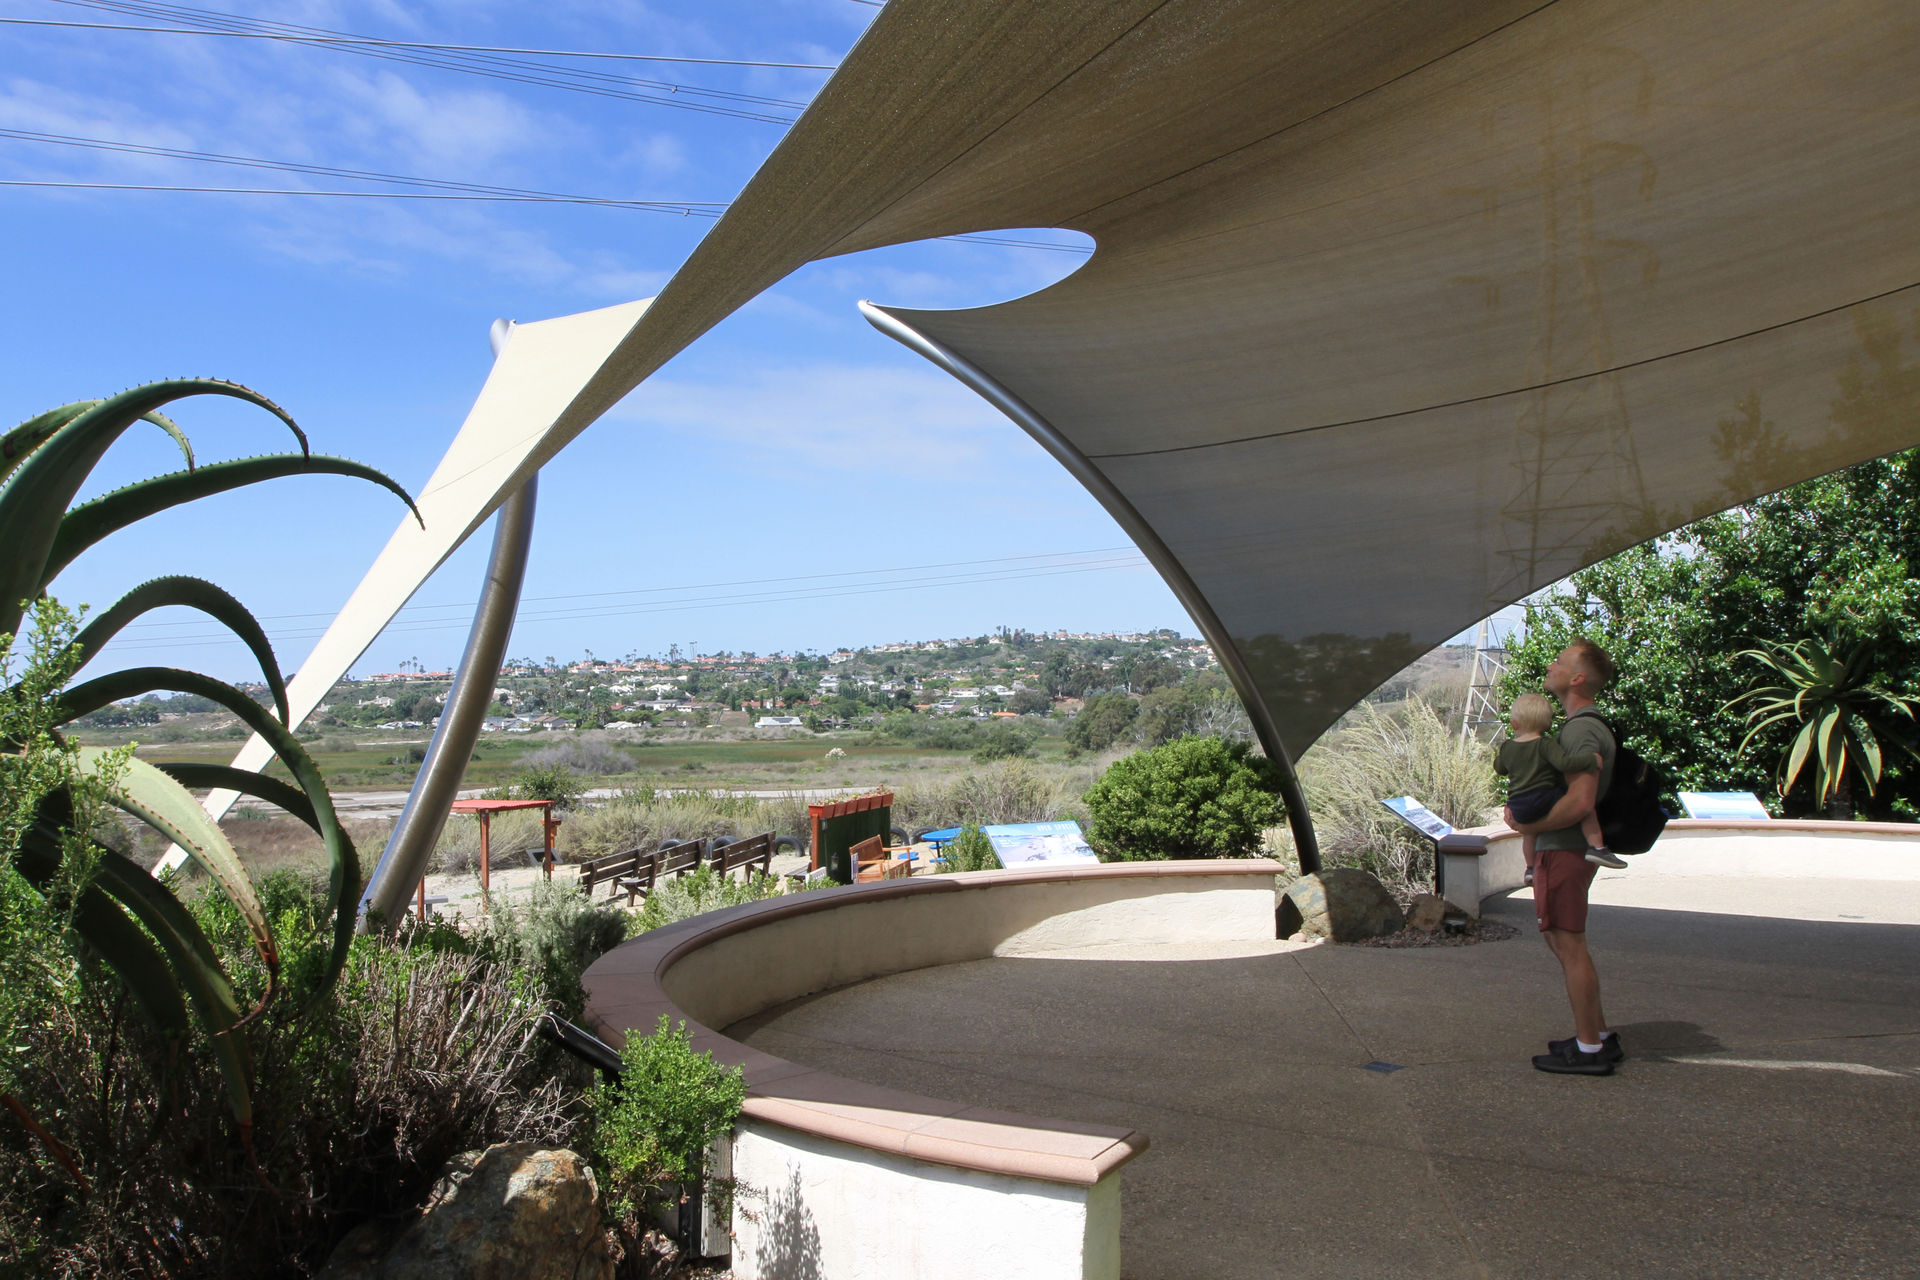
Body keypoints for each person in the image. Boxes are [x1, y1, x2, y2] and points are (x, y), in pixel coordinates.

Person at [1504, 638, 1624, 1077]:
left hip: (1563, 849)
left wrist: (1529, 827)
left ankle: (1590, 1049)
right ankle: (1598, 1032)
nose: (1550, 665)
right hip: (1567, 849)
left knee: (1568, 944)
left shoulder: (1579, 731)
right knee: (1566, 942)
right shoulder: (1580, 728)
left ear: (1577, 678)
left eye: (1560, 662)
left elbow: (1579, 802)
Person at [1493, 691, 1623, 885]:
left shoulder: (1507, 747)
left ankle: (1530, 869)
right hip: (1543, 797)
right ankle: (1597, 847)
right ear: (1548, 724)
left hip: (1518, 804)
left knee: (1529, 834)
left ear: (1514, 724)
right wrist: (1590, 760)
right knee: (1583, 805)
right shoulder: (1545, 744)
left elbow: (1499, 768)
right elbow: (1564, 763)